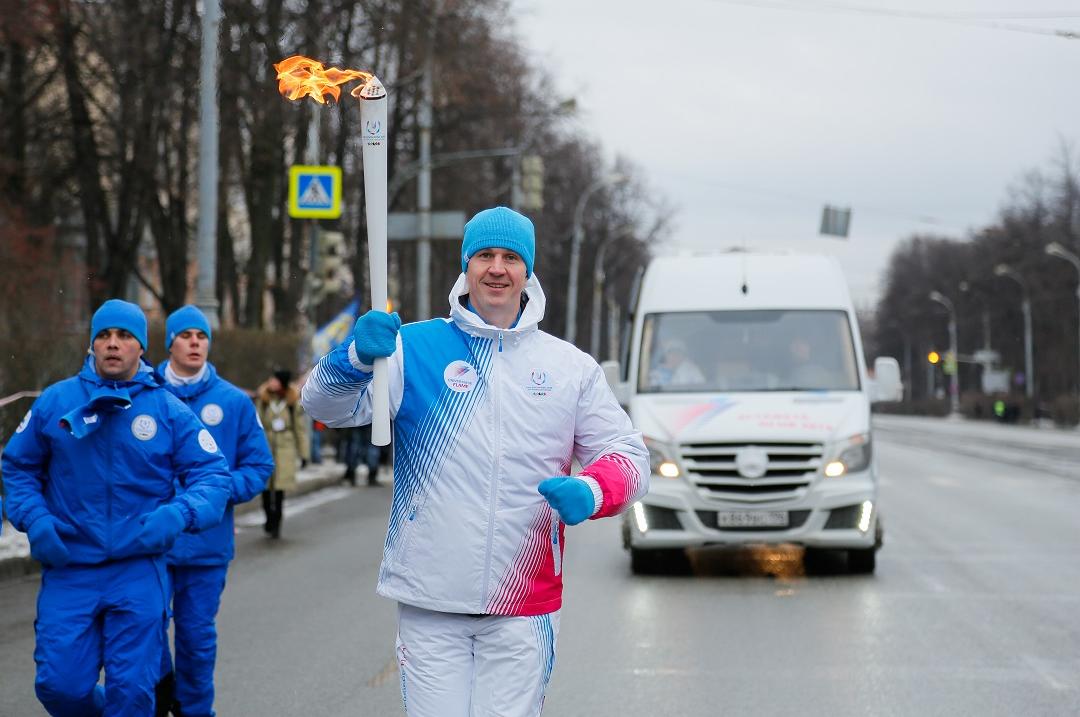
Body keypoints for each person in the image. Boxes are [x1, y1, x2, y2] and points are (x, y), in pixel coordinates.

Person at [302, 206, 649, 716]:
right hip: (430, 599)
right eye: (484, 255)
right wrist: (352, 358)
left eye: (511, 257)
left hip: (524, 601)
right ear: (466, 266)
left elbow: (629, 455)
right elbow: (323, 406)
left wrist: (592, 490)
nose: (497, 268)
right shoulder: (413, 348)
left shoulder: (568, 367)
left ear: (527, 271)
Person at [1, 299, 231, 716]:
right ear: (92, 344)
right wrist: (35, 519)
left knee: (132, 694)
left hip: (137, 569)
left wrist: (179, 513)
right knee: (59, 688)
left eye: (124, 336)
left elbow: (213, 475)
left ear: (141, 347)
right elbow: (18, 466)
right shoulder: (56, 401)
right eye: (104, 335)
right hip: (70, 566)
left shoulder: (166, 409)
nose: (112, 343)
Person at [154, 305, 274, 717]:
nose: (195, 343)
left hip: (207, 546)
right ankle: (158, 698)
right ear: (170, 343)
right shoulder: (144, 394)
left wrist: (216, 494)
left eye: (201, 336)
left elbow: (258, 466)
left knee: (195, 638)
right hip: (151, 543)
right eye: (185, 336)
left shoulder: (233, 402)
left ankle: (195, 710)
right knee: (144, 631)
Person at [256, 368, 309, 539]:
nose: (271, 382)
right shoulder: (264, 400)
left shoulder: (292, 402)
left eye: (275, 380)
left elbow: (300, 429)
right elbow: (256, 425)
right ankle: (268, 516)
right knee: (265, 487)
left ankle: (277, 521)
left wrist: (304, 454)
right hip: (266, 446)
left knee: (279, 488)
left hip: (285, 448)